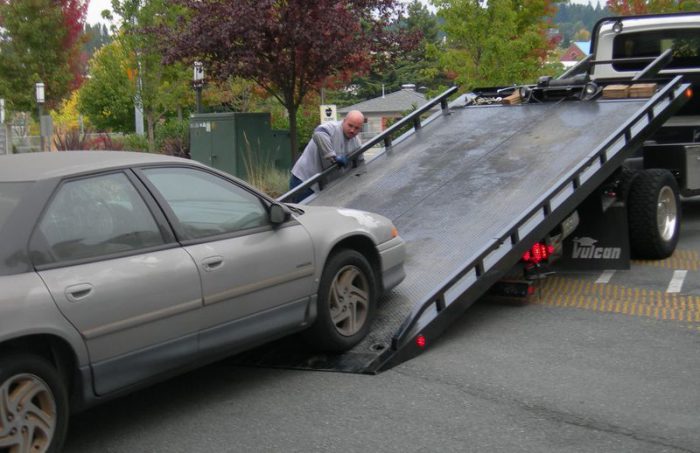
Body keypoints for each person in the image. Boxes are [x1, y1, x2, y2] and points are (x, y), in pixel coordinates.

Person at [288, 110, 365, 202]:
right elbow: (319, 133)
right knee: (302, 214)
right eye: (350, 125)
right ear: (344, 121)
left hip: (324, 185)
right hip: (305, 180)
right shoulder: (332, 127)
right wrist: (333, 156)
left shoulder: (356, 143)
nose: (352, 130)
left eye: (357, 128)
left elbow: (361, 167)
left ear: (360, 129)